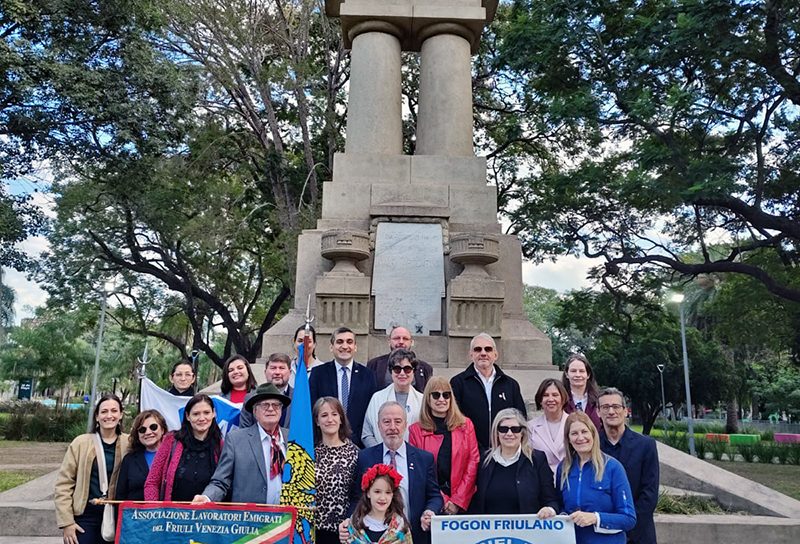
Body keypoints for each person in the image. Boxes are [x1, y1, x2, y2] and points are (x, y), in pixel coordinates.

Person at [342, 402, 442, 544]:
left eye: (398, 421)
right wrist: (349, 522)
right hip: (375, 536)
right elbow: (357, 497)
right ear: (378, 425)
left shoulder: (423, 459)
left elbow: (435, 496)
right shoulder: (365, 457)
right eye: (387, 422)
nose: (392, 427)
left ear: (406, 424)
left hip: (414, 537)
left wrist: (429, 512)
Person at [192, 383, 290, 504]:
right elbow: (221, 481)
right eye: (265, 405)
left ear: (281, 411)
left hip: (289, 518)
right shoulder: (236, 440)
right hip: (250, 519)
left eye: (276, 405)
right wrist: (207, 497)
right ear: (255, 411)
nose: (270, 409)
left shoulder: (292, 439)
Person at [55, 394, 129, 544]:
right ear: (97, 416)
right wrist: (67, 522)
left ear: (121, 414)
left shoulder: (130, 443)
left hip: (116, 516)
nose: (109, 416)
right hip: (84, 516)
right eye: (104, 412)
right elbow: (64, 483)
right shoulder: (81, 443)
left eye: (114, 411)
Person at [557, 412, 636, 544]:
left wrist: (595, 518)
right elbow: (561, 506)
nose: (580, 438)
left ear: (593, 434)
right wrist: (562, 516)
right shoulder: (564, 468)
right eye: (574, 433)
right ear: (568, 439)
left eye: (584, 431)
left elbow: (629, 518)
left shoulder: (613, 468)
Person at [408, 376, 479, 514]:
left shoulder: (466, 425)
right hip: (431, 503)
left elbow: (473, 462)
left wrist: (458, 500)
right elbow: (419, 471)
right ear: (428, 399)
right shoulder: (415, 430)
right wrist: (443, 500)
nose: (441, 399)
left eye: (446, 395)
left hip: (464, 501)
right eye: (436, 395)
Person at [598, 388, 659, 544]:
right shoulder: (591, 445)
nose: (611, 411)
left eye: (616, 406)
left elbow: (649, 493)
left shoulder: (646, 445)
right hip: (600, 532)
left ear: (625, 411)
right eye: (605, 407)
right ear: (598, 412)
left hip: (638, 534)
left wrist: (627, 528)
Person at [470, 408, 558, 516]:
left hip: (526, 531)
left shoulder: (537, 459)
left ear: (522, 432)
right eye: (503, 429)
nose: (509, 433)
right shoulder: (484, 461)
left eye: (515, 429)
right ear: (496, 432)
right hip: (490, 532)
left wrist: (549, 510)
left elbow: (551, 499)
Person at [450, 333, 527, 451]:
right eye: (477, 349)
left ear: (495, 355)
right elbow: (455, 419)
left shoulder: (510, 385)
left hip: (504, 451)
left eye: (488, 349)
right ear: (471, 355)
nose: (483, 353)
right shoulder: (458, 383)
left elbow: (521, 419)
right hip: (470, 451)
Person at [144, 394, 223, 502]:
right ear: (187, 416)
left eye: (206, 413)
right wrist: (154, 511)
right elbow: (152, 482)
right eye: (196, 414)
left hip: (208, 516)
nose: (202, 418)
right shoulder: (170, 441)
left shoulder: (221, 446)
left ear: (214, 413)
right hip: (172, 516)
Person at [309, 327, 377, 448]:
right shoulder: (318, 374)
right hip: (324, 442)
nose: (345, 346)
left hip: (359, 444)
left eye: (349, 342)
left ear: (355, 347)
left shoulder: (368, 375)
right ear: (331, 347)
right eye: (339, 342)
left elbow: (371, 412)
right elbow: (312, 408)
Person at [313, 397, 359, 544]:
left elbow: (357, 495)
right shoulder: (309, 453)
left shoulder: (355, 453)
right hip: (313, 531)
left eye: (334, 414)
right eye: (324, 415)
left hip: (343, 532)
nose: (330, 419)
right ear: (317, 421)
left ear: (341, 419)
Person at [362, 349, 424, 448]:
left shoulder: (422, 401)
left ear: (413, 372)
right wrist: (380, 454)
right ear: (391, 372)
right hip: (380, 458)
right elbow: (367, 434)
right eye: (397, 369)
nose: (402, 373)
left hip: (413, 458)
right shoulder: (377, 398)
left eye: (407, 369)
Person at [346, 464, 412, 544]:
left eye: (388, 492)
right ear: (368, 493)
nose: (382, 498)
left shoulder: (401, 526)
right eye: (377, 492)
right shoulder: (355, 523)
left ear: (392, 495)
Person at [116, 410, 167, 501]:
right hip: (135, 513)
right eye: (142, 430)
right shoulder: (129, 460)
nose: (148, 432)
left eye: (153, 427)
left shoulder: (173, 457)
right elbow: (120, 496)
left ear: (162, 429)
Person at [367, 326, 434, 393]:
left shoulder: (425, 368)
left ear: (411, 342)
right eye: (396, 338)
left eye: (405, 339)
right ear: (389, 341)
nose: (401, 342)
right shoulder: (374, 365)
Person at [528, 378, 570, 474]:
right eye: (545, 395)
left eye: (555, 395)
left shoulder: (574, 424)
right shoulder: (530, 427)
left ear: (563, 398)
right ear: (540, 401)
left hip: (570, 478)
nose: (550, 399)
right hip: (542, 481)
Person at [240, 352, 294, 429]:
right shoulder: (251, 398)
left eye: (282, 368)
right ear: (265, 372)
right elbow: (244, 431)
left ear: (290, 373)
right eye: (273, 368)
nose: (277, 372)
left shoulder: (300, 398)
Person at [562, 353, 602, 430]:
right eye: (573, 371)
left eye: (582, 371)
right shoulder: (560, 400)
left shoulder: (599, 400)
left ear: (588, 375)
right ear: (567, 374)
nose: (577, 375)